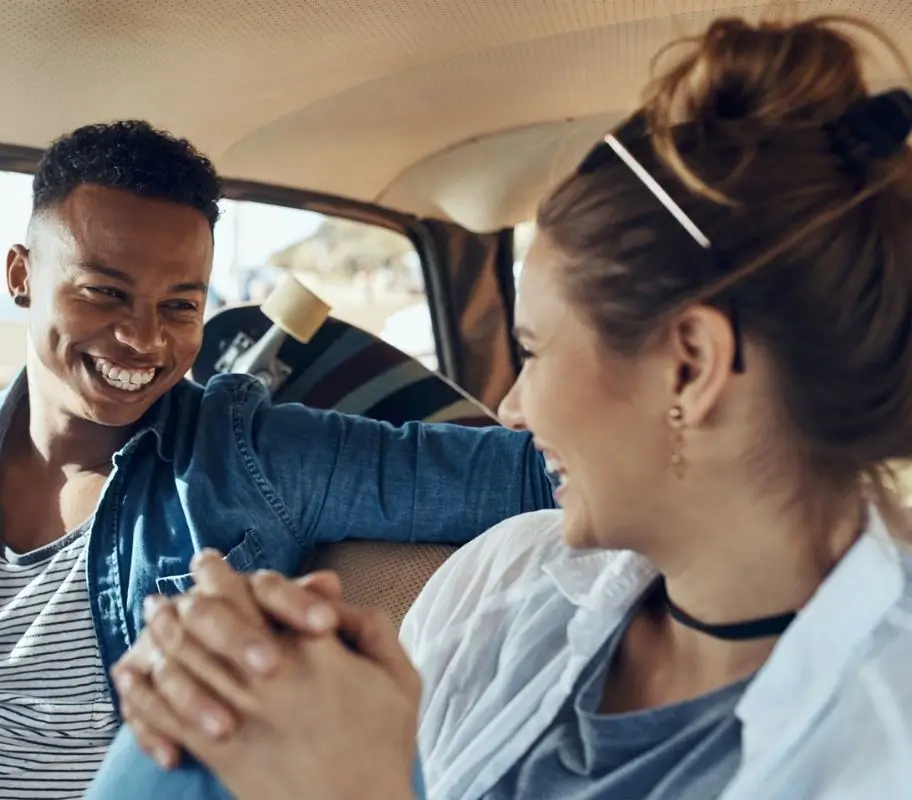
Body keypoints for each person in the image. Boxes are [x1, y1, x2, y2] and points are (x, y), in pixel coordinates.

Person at [88, 15, 912, 800]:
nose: (510, 410)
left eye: (538, 352)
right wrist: (226, 686)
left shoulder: (885, 746)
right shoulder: (505, 579)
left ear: (690, 366)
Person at [0, 122, 556, 800]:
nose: (145, 339)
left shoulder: (250, 451)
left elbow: (530, 471)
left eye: (180, 304)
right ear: (20, 275)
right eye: (104, 292)